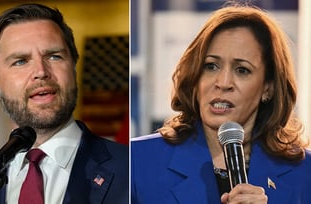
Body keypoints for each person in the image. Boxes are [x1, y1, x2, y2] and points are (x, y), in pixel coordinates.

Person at [0, 3, 129, 204]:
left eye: (54, 56)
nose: (41, 71)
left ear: (74, 68)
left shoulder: (136, 172)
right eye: (20, 61)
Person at [131, 4, 311, 204]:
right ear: (195, 78)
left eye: (242, 70)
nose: (223, 83)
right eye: (211, 66)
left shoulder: (305, 174)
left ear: (268, 88)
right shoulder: (136, 162)